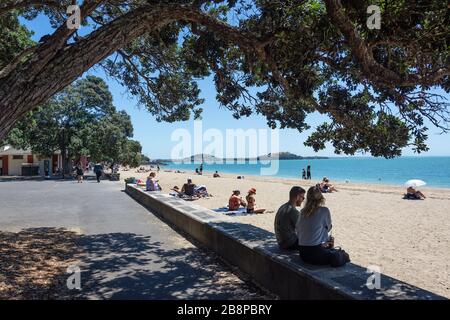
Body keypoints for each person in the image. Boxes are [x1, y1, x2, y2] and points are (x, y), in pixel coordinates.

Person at [296, 185, 348, 266]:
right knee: (343, 255)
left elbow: (299, 233)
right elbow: (329, 228)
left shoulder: (302, 212)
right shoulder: (324, 211)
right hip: (316, 254)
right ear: (320, 198)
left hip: (303, 254)